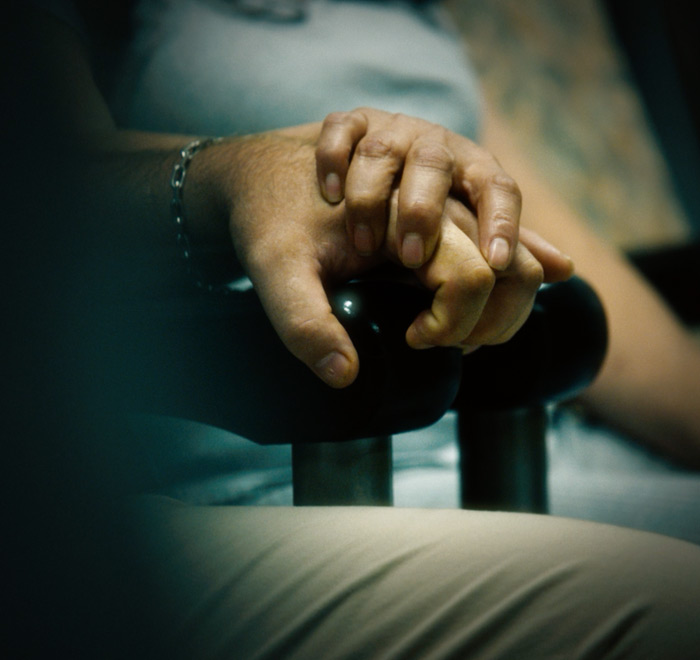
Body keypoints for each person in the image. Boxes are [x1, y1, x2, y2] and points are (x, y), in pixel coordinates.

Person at [4, 1, 700, 657]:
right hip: (289, 472)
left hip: (528, 443)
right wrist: (236, 170)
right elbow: (43, 175)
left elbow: (533, 227)